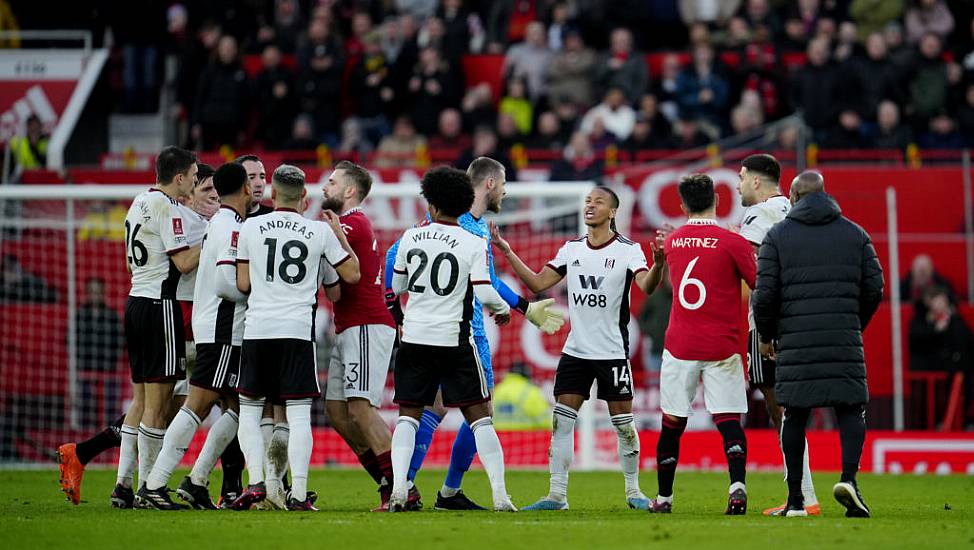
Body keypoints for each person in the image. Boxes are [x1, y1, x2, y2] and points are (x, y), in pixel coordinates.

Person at [384, 157, 564, 511]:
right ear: (490, 185)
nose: (507, 192)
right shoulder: (464, 228)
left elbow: (398, 265)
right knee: (479, 411)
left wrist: (398, 308)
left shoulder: (444, 226)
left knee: (426, 408)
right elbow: (485, 283)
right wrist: (520, 308)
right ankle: (443, 489)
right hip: (462, 332)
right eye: (505, 184)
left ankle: (409, 487)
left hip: (431, 331)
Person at [492, 186, 664, 511]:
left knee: (624, 425)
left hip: (612, 352)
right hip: (576, 352)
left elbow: (647, 286)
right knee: (561, 421)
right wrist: (507, 251)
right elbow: (538, 284)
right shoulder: (571, 249)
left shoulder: (629, 251)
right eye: (587, 201)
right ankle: (556, 496)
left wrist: (658, 264)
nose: (590, 206)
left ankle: (634, 492)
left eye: (598, 202)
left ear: (612, 212)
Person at [753, 171, 884, 518]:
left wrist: (766, 336)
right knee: (850, 408)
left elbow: (764, 296)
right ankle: (849, 481)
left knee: (795, 414)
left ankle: (796, 499)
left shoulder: (777, 236)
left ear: (793, 198)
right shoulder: (855, 234)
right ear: (825, 194)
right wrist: (855, 322)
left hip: (795, 341)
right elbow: (875, 288)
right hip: (843, 336)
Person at [232, 164, 360, 512]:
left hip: (258, 329)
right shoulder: (318, 232)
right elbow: (352, 274)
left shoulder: (250, 228)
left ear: (273, 194)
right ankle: (300, 494)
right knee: (299, 414)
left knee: (251, 410)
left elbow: (242, 284)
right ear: (304, 197)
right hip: (296, 332)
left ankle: (256, 483)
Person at [388, 166, 516, 513]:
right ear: (463, 204)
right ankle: (501, 496)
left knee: (407, 417)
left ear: (431, 204)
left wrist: (403, 313)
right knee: (481, 418)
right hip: (455, 340)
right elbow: (485, 291)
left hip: (415, 340)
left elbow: (396, 287)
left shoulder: (410, 237)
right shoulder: (473, 241)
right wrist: (504, 309)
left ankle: (399, 490)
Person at [138, 163, 252, 510]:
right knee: (198, 403)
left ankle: (196, 480)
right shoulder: (231, 228)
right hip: (222, 326)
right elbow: (224, 283)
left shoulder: (219, 223)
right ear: (246, 189)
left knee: (239, 407)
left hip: (215, 325)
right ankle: (154, 484)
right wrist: (254, 293)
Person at [647, 174, 755, 515]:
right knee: (727, 420)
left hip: (681, 344)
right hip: (722, 344)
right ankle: (737, 488)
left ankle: (664, 498)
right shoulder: (731, 241)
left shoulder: (674, 241)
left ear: (681, 205)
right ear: (718, 201)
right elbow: (759, 284)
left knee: (672, 422)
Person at [112, 146, 201, 508]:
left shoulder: (138, 201)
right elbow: (181, 263)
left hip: (135, 302)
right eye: (194, 177)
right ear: (179, 177)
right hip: (159, 306)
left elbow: (130, 261)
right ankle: (150, 488)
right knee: (159, 403)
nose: (196, 182)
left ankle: (122, 485)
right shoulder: (168, 207)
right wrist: (211, 239)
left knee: (140, 400)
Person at [735, 154, 820, 516]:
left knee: (778, 407)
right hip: (802, 316)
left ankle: (802, 496)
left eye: (740, 178)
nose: (737, 185)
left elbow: (751, 272)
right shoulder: (793, 208)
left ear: (757, 181)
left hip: (770, 321)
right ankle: (803, 494)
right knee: (789, 407)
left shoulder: (757, 215)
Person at [321, 161, 398, 511]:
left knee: (362, 410)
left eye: (333, 182)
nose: (325, 187)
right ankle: (387, 480)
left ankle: (400, 488)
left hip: (367, 326)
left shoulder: (352, 224)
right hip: (349, 326)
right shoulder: (345, 226)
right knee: (337, 412)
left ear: (350, 191)